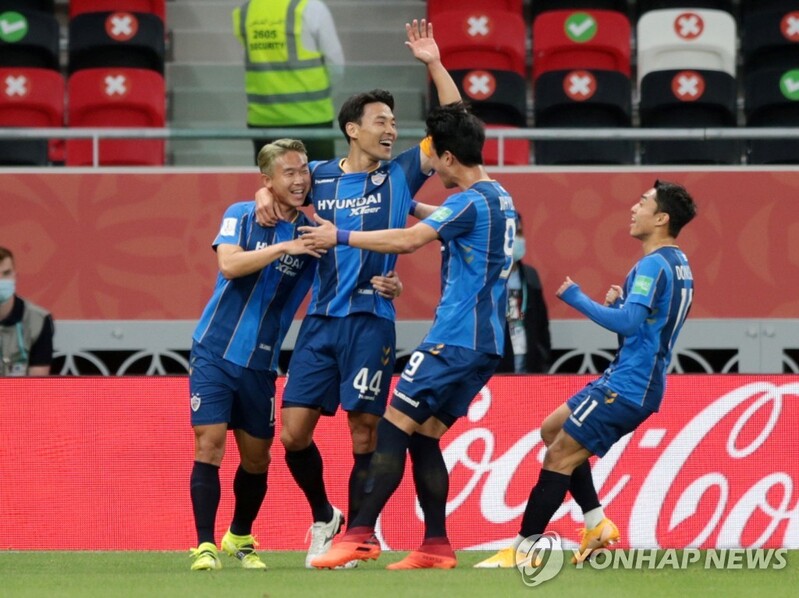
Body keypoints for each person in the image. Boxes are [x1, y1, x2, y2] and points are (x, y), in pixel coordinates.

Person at [254, 19, 461, 569]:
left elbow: (456, 124)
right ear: (352, 128)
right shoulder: (318, 176)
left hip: (372, 321)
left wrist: (434, 64)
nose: (390, 130)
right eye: (379, 122)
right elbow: (278, 179)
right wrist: (262, 193)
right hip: (319, 322)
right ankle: (326, 516)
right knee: (293, 435)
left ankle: (358, 535)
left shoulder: (400, 176)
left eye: (394, 123)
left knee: (364, 431)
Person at [300, 102, 517, 570]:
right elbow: (438, 216)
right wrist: (402, 202)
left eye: (435, 159)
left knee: (392, 429)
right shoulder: (498, 196)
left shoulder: (465, 201)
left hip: (453, 340)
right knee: (425, 437)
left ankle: (359, 534)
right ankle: (435, 545)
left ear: (448, 158)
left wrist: (340, 236)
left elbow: (407, 240)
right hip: (488, 345)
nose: (431, 166)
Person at [474, 179, 697, 568]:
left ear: (661, 218)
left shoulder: (651, 264)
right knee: (551, 430)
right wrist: (625, 304)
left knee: (559, 455)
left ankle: (524, 549)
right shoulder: (680, 265)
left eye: (643, 203)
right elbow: (647, 324)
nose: (634, 208)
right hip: (629, 378)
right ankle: (595, 523)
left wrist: (578, 298)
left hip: (628, 385)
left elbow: (629, 323)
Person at [187, 139, 325, 572]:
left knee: (257, 458)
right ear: (266, 180)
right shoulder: (240, 214)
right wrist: (283, 248)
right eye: (288, 172)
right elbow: (229, 265)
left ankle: (239, 535)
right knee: (208, 446)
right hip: (214, 350)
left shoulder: (313, 232)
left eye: (303, 170)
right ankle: (205, 546)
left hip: (261, 364)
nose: (300, 179)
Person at [233, 0, 345, 163]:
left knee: (273, 185)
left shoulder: (245, 11)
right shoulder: (310, 7)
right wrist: (326, 96)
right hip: (311, 119)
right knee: (318, 184)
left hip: (263, 121)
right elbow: (336, 65)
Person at [496, 213, 551, 374]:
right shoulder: (488, 277)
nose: (517, 240)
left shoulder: (530, 275)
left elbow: (542, 323)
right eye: (512, 234)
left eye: (519, 234)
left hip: (528, 362)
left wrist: (543, 355)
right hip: (499, 364)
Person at [0, 246, 54, 376]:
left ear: (15, 276)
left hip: (21, 395)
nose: (1, 281)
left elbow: (37, 385)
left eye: (6, 274)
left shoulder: (39, 319)